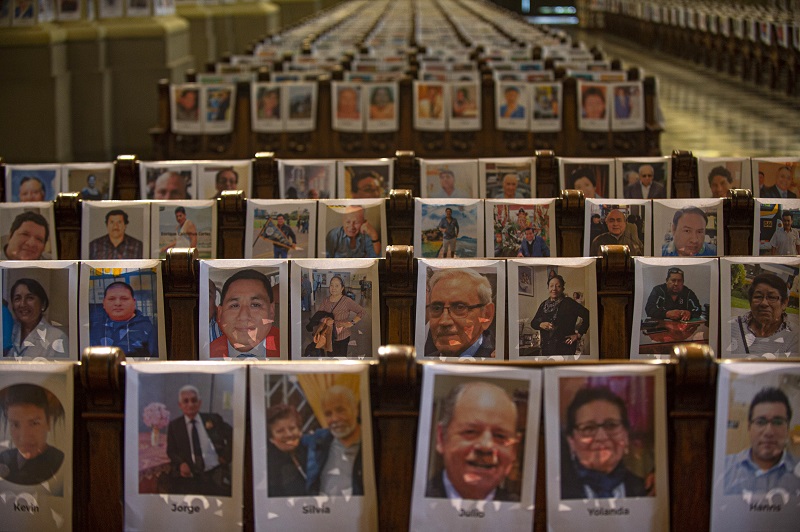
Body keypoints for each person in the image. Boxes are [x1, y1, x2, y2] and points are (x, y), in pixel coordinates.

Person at [427, 381, 520, 501]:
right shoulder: (408, 502)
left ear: (513, 451)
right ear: (441, 438)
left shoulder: (523, 513)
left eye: (500, 436)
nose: (486, 446)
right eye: (471, 432)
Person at [561, 386, 648, 499]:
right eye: (588, 428)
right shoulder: (558, 492)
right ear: (571, 441)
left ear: (626, 435)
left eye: (611, 425)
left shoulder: (646, 490)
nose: (601, 437)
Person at [724, 387, 800, 496]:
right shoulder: (724, 468)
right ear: (749, 427)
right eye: (760, 422)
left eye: (778, 422)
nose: (769, 432)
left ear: (787, 428)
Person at [166, 385, 233, 496]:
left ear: (200, 403)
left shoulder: (214, 419)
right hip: (191, 476)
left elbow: (233, 435)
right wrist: (181, 464)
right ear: (180, 405)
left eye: (194, 400)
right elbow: (171, 451)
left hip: (215, 473)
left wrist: (226, 457)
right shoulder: (174, 426)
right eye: (186, 401)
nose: (190, 404)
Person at [303, 385, 363, 496]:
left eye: (341, 410)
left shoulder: (371, 442)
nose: (334, 419)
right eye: (328, 414)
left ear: (355, 410)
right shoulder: (318, 439)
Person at [0, 384, 64, 485]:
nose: (24, 437)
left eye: (34, 423)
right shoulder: (2, 460)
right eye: (15, 425)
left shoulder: (59, 461)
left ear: (48, 423)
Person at [424, 268, 496, 358]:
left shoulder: (502, 362)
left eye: (459, 307)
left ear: (486, 315)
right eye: (437, 308)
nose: (444, 321)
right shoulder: (421, 363)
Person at [210, 269, 279, 359]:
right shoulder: (206, 354)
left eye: (255, 305)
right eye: (234, 306)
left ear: (271, 311)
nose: (243, 316)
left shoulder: (289, 347)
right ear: (220, 313)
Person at [728, 273, 799, 357]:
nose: (764, 303)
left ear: (784, 303)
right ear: (750, 301)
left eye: (772, 297)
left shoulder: (795, 337)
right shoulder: (729, 326)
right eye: (758, 296)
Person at [90, 281, 157, 357]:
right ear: (104, 303)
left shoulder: (148, 329)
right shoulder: (95, 329)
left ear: (134, 302)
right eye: (111, 299)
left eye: (124, 299)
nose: (118, 303)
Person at [5, 278, 68, 358]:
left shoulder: (57, 337)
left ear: (43, 304)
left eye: (29, 298)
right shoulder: (7, 332)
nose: (22, 304)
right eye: (17, 299)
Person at [531, 275, 590, 357]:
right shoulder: (543, 304)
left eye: (558, 286)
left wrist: (578, 335)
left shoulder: (569, 302)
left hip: (565, 348)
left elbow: (588, 315)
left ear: (562, 289)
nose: (554, 289)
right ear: (548, 288)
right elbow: (533, 323)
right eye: (551, 286)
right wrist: (540, 324)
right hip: (546, 349)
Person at [308, 276, 365, 357]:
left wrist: (351, 323)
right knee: (330, 357)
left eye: (337, 286)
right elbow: (318, 315)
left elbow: (361, 311)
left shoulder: (346, 301)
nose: (333, 288)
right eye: (331, 285)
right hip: (328, 336)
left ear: (342, 288)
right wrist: (325, 320)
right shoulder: (326, 300)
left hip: (342, 336)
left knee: (340, 359)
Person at [267, 403, 308, 497]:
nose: (288, 434)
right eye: (280, 431)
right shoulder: (268, 466)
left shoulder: (314, 451)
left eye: (292, 428)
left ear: (300, 430)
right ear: (271, 438)